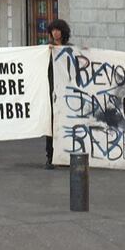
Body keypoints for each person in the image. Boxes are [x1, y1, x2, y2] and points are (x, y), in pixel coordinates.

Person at [45, 19, 71, 170]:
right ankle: (50, 156)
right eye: (53, 30)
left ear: (63, 32)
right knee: (51, 125)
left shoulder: (70, 49)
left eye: (58, 30)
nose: (55, 33)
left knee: (66, 124)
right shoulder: (47, 49)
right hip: (51, 91)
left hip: (67, 93)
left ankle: (65, 155)